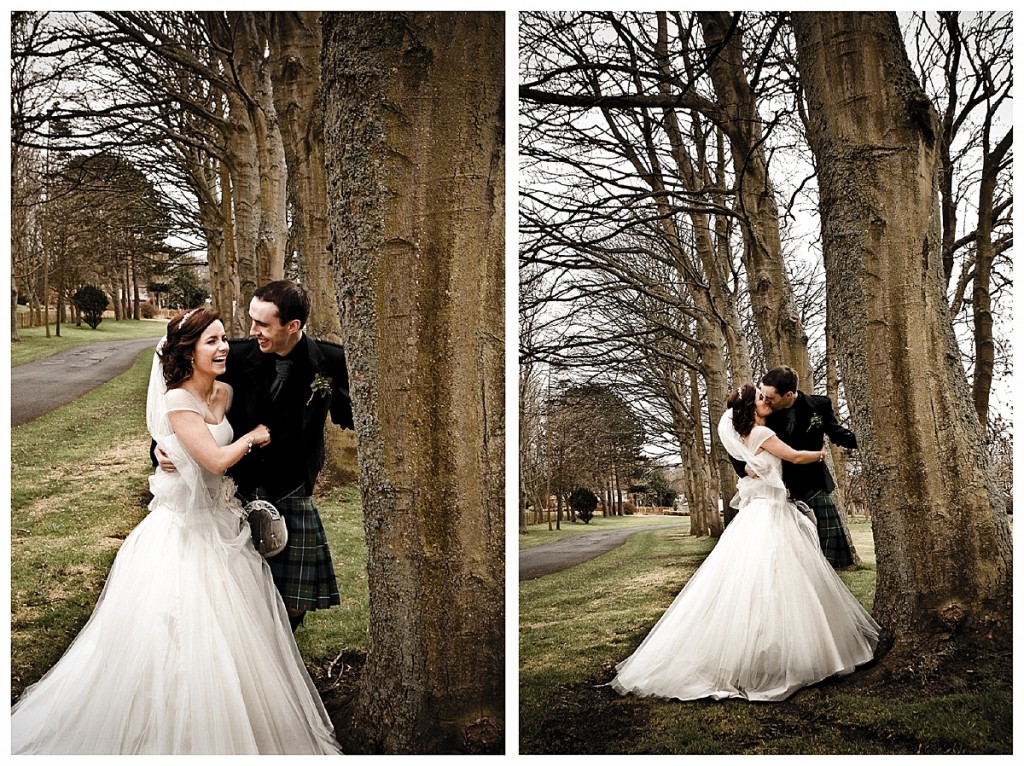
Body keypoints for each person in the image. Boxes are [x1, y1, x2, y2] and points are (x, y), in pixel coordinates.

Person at [11, 308, 342, 754]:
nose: (226, 345)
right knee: (178, 626)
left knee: (241, 633)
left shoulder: (228, 387)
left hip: (228, 525)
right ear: (188, 351)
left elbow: (230, 424)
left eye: (225, 338)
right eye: (213, 341)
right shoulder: (176, 398)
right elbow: (211, 455)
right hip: (183, 532)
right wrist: (180, 446)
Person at [609, 383, 878, 702]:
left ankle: (768, 652)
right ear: (751, 408)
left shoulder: (752, 432)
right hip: (768, 513)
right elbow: (790, 456)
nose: (767, 401)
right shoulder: (760, 433)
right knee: (769, 577)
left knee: (769, 579)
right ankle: (769, 659)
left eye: (767, 397)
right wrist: (821, 454)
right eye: (761, 399)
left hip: (763, 511)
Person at [157, 280, 354, 631]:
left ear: (292, 326)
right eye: (251, 320)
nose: (252, 331)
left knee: (294, 602)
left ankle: (281, 661)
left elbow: (351, 415)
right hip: (239, 488)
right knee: (243, 590)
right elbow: (187, 402)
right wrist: (160, 450)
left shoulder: (329, 361)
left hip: (293, 489)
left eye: (262, 324)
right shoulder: (235, 356)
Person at [731, 365, 858, 568]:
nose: (765, 400)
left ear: (788, 395)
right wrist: (743, 468)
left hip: (813, 485)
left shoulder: (819, 405)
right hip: (781, 490)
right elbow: (738, 442)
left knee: (827, 554)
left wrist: (866, 442)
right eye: (762, 394)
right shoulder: (764, 413)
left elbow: (837, 433)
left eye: (770, 397)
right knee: (789, 558)